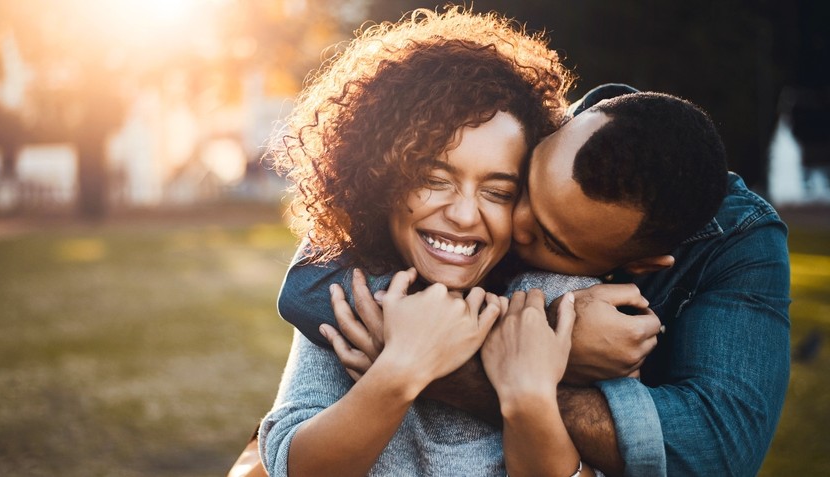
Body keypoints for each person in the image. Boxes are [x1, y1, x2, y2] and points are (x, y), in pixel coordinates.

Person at [281, 84, 791, 476]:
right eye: (520, 187)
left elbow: (716, 450)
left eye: (552, 240)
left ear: (631, 265)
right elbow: (307, 288)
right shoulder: (510, 140)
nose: (510, 225)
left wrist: (527, 366)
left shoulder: (590, 303)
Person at [257, 7, 602, 477]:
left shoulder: (554, 300)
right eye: (433, 179)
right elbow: (292, 466)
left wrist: (527, 397)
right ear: (380, 177)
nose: (463, 215)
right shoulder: (351, 290)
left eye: (497, 192)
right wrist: (402, 369)